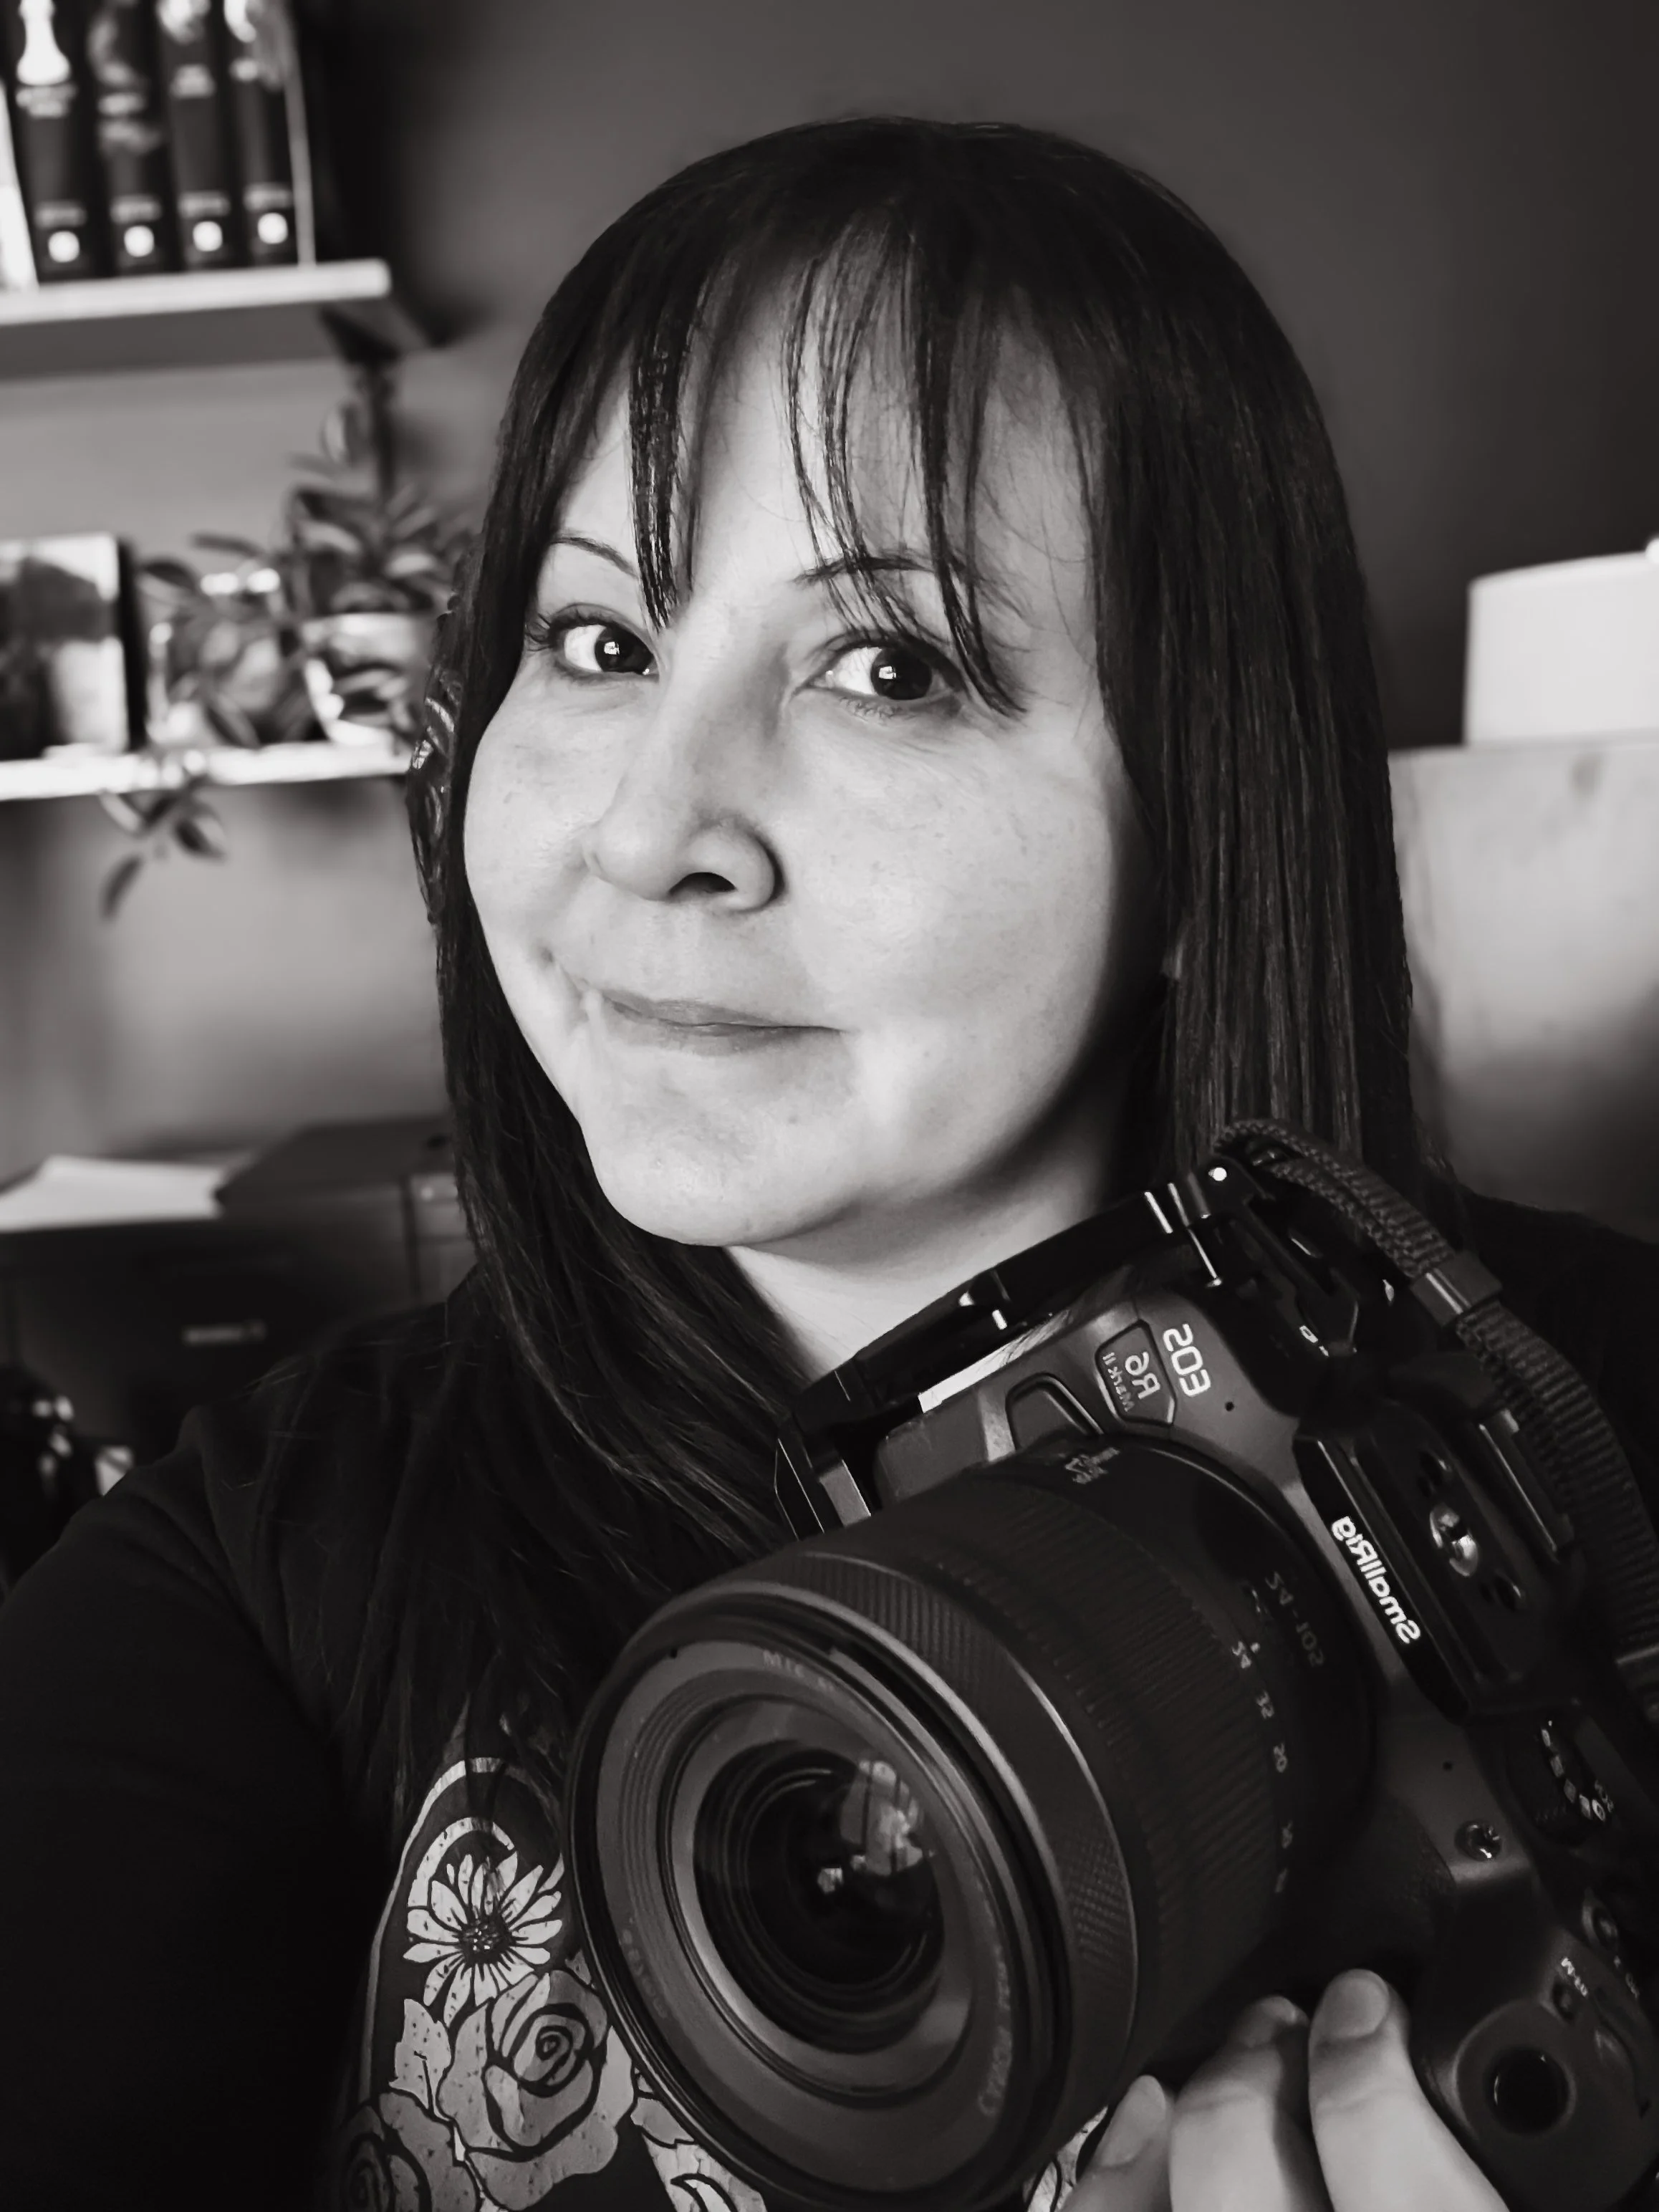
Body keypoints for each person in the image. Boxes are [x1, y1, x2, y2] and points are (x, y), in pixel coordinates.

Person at [0, 116, 1655, 2212]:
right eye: (598, 643)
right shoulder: (267, 1562)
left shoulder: (1604, 1424)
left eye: (891, 666)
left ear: (1199, 822)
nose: (647, 830)